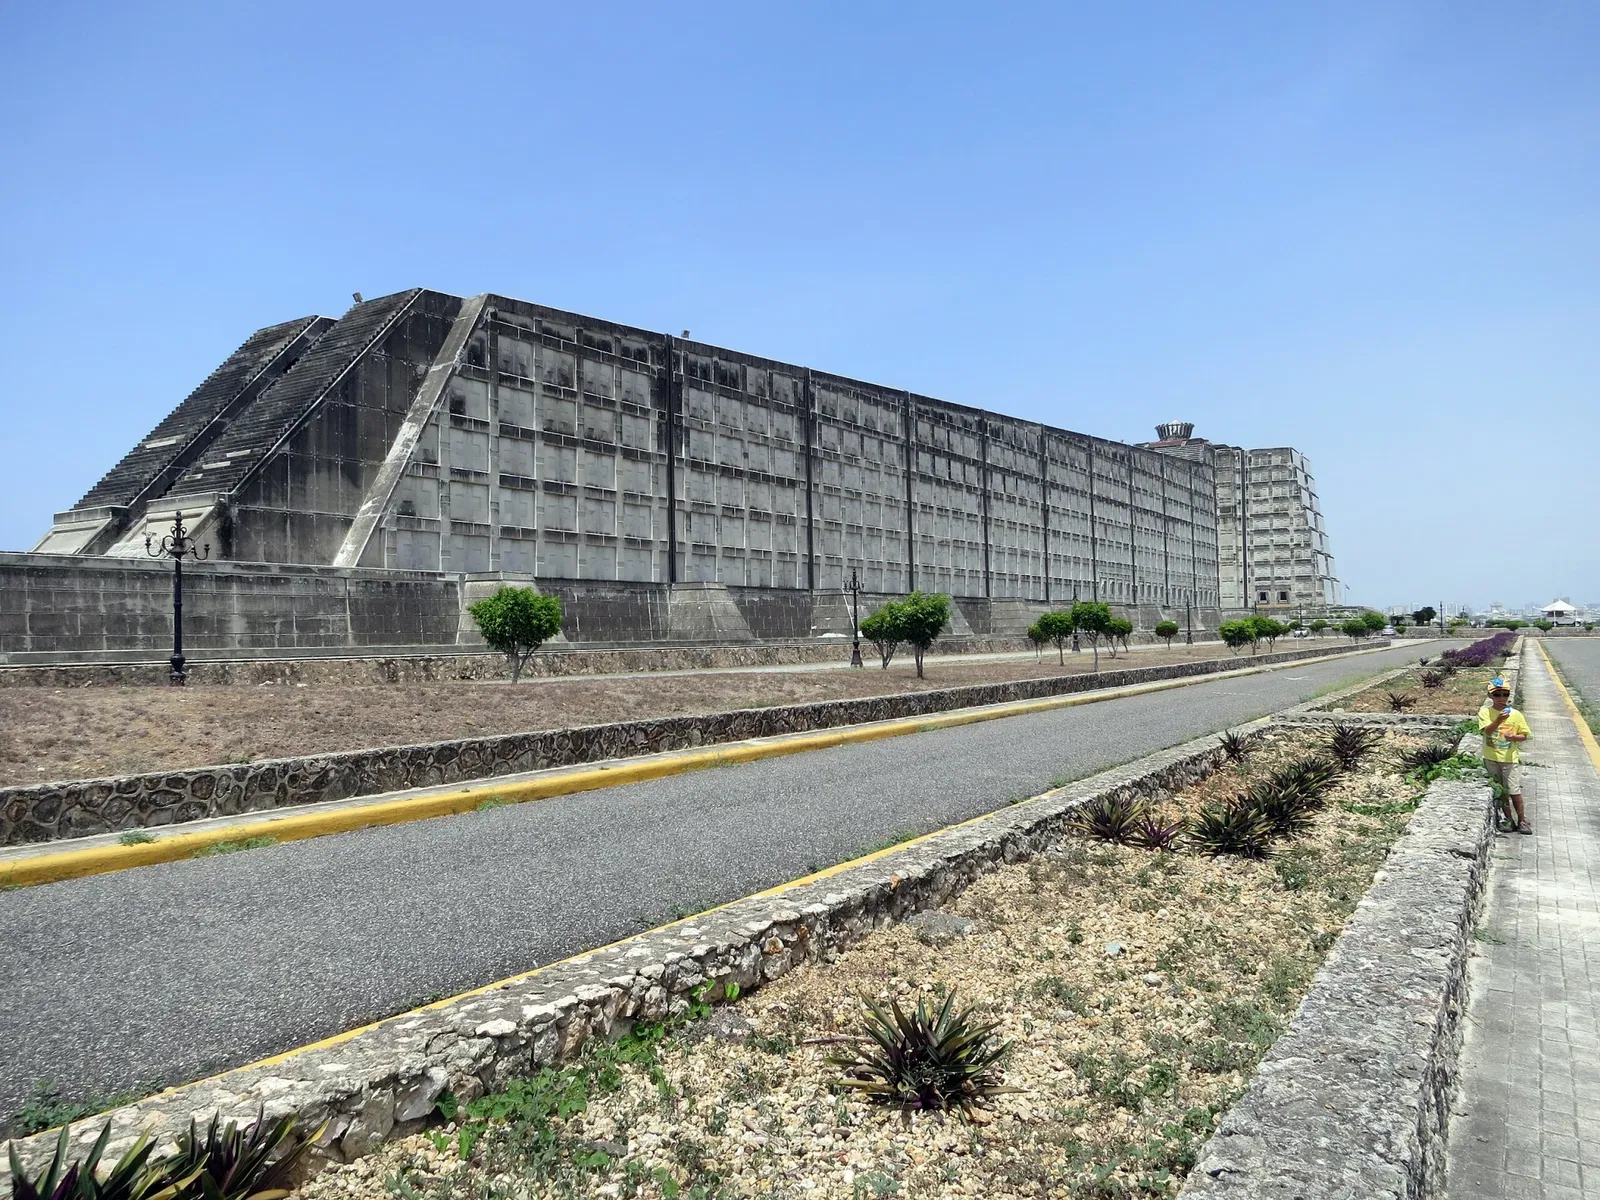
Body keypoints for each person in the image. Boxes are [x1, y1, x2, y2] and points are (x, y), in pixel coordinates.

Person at [1479, 678, 1532, 834]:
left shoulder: (1515, 715)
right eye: (1497, 695)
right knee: (1501, 791)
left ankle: (1522, 820)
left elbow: (1524, 735)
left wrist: (1514, 738)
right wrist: (1498, 720)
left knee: (1514, 790)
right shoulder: (1485, 712)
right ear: (1490, 696)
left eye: (1505, 694)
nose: (1502, 698)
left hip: (1509, 758)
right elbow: (1486, 731)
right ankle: (1509, 819)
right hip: (1491, 757)